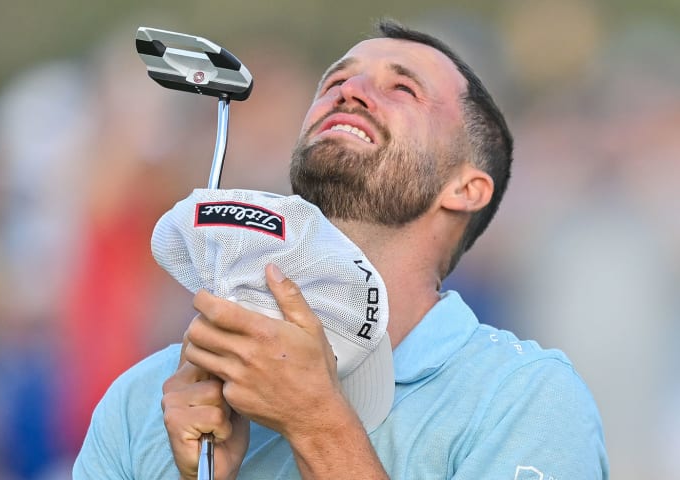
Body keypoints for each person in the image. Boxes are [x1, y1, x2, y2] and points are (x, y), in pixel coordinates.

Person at [73, 18, 609, 479]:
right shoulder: (145, 398)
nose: (349, 92)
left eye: (403, 89)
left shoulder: (524, 398)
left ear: (466, 188)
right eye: (335, 81)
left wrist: (316, 423)